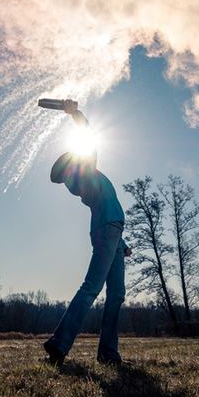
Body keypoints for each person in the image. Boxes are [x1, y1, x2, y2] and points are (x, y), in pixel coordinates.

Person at [44, 99, 132, 366]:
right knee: (92, 287)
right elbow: (91, 138)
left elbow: (109, 209)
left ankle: (108, 353)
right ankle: (58, 345)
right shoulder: (85, 177)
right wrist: (75, 114)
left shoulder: (88, 178)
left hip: (113, 234)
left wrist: (122, 242)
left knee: (116, 294)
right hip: (107, 233)